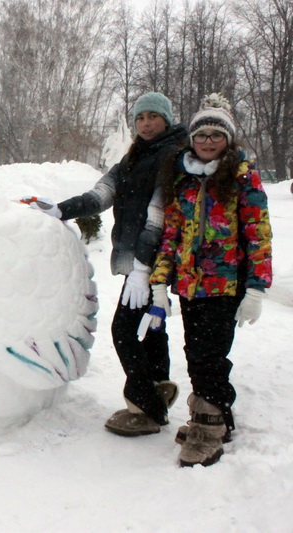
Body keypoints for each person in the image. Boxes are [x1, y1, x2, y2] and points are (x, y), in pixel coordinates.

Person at [30, 92, 187, 436]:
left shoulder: (173, 157)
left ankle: (146, 405)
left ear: (167, 119)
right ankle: (158, 387)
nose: (146, 123)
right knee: (151, 328)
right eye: (140, 117)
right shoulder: (134, 158)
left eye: (152, 116)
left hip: (155, 262)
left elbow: (158, 219)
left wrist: (144, 269)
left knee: (124, 332)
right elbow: (99, 195)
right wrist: (59, 209)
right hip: (142, 263)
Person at [149, 93, 272, 467]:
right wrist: (159, 282)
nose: (207, 142)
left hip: (225, 284)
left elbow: (258, 231)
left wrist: (256, 287)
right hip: (188, 285)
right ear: (192, 139)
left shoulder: (240, 175)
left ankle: (208, 429)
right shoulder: (181, 176)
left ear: (228, 140)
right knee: (196, 353)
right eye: (201, 135)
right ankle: (217, 414)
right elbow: (171, 232)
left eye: (216, 136)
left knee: (209, 357)